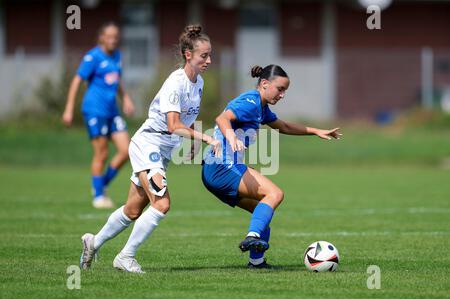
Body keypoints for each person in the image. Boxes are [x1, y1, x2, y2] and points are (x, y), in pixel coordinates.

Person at [79, 25, 219, 273]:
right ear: (188, 54)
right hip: (148, 144)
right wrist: (205, 138)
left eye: (209, 55)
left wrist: (195, 141)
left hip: (161, 151)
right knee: (162, 203)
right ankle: (126, 256)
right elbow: (173, 125)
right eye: (203, 56)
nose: (208, 60)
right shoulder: (175, 83)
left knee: (132, 210)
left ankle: (94, 242)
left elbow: (184, 123)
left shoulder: (199, 83)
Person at [202, 64, 342, 269]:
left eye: (285, 90)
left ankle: (256, 262)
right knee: (275, 194)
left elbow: (283, 126)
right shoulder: (250, 101)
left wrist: (315, 131)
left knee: (263, 211)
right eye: (280, 89)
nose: (282, 95)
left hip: (217, 168)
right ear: (264, 84)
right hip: (221, 166)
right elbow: (222, 118)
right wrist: (231, 136)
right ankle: (252, 237)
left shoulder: (261, 107)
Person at [62, 22, 135, 209]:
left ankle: (100, 185)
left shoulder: (118, 56)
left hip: (112, 111)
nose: (113, 40)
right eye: (109, 36)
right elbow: (77, 81)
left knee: (127, 150)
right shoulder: (92, 57)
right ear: (102, 37)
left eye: (115, 37)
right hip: (95, 110)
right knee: (101, 153)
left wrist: (125, 98)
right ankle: (98, 196)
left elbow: (117, 81)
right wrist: (69, 108)